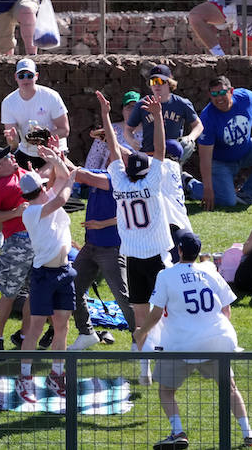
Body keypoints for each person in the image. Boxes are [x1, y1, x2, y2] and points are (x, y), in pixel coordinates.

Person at [134, 232, 252, 450]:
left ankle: (178, 432)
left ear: (179, 251)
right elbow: (227, 310)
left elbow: (155, 315)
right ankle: (248, 434)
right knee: (229, 388)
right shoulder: (210, 272)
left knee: (165, 390)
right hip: (218, 340)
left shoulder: (166, 275)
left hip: (181, 343)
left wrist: (140, 333)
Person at [97, 90, 172, 385]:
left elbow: (114, 148)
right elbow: (161, 150)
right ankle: (167, 361)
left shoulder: (119, 181)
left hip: (131, 255)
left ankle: (145, 372)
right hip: (156, 255)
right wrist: (159, 119)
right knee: (165, 312)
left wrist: (105, 114)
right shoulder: (153, 182)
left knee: (140, 317)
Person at [15, 148, 77, 402]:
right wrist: (71, 178)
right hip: (43, 276)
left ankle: (56, 374)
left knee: (62, 326)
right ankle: (25, 377)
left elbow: (61, 178)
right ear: (39, 189)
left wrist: (54, 158)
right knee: (35, 328)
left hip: (64, 272)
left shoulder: (45, 199)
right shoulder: (31, 212)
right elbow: (63, 193)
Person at [185, 76, 252, 209]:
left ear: (231, 91)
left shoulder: (245, 97)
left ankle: (247, 195)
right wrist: (207, 189)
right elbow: (205, 157)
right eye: (214, 94)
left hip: (245, 152)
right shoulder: (207, 117)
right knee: (227, 202)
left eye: (222, 92)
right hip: (220, 163)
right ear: (210, 95)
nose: (218, 98)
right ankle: (189, 184)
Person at [67, 165, 134, 351]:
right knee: (72, 288)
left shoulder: (116, 181)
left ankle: (141, 338)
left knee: (123, 297)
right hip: (91, 246)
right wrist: (58, 154)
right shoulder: (103, 174)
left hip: (111, 248)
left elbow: (81, 175)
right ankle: (87, 333)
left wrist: (55, 156)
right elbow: (76, 171)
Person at [0, 144, 34, 350]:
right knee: (10, 293)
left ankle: (24, 335)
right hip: (17, 242)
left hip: (39, 238)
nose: (11, 156)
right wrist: (15, 212)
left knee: (34, 292)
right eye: (5, 157)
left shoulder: (25, 173)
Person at [1, 58, 70, 171]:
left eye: (30, 75)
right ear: (15, 77)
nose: (25, 79)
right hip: (26, 152)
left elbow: (65, 130)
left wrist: (44, 135)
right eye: (21, 76)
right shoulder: (8, 102)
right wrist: (12, 138)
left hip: (54, 152)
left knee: (40, 181)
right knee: (20, 184)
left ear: (36, 76)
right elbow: (13, 144)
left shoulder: (51, 96)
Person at [126, 64, 202, 165]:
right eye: (153, 82)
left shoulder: (181, 103)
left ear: (169, 83)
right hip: (149, 155)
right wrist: (131, 141)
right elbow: (128, 129)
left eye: (160, 81)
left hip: (173, 157)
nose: (156, 85)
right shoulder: (142, 104)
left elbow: (198, 125)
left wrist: (190, 138)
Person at [84, 91, 142, 170]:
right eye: (128, 107)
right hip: (107, 177)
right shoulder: (110, 129)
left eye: (135, 107)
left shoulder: (148, 132)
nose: (132, 111)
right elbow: (93, 160)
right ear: (122, 111)